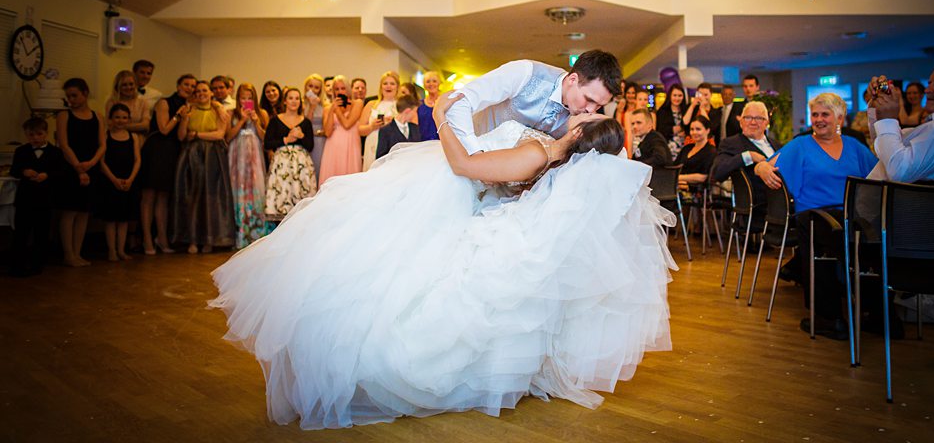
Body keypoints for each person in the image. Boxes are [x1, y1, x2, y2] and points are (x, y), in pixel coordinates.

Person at [209, 90, 675, 429]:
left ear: (577, 134)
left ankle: (393, 369)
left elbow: (465, 167)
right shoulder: (569, 168)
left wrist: (442, 121)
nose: (585, 111)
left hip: (492, 218)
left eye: (590, 113)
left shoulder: (539, 154)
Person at [754, 93, 878, 339]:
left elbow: (879, 173)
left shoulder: (854, 146)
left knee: (875, 239)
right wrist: (763, 168)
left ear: (840, 118)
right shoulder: (801, 145)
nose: (819, 119)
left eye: (825, 114)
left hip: (851, 215)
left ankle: (878, 314)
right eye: (815, 115)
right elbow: (763, 165)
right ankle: (829, 318)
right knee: (832, 238)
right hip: (814, 215)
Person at [442, 50, 622, 159]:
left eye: (598, 105)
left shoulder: (582, 120)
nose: (591, 109)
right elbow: (459, 102)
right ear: (573, 79)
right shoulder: (525, 73)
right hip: (471, 161)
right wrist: (476, 155)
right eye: (589, 99)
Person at [173, 81, 234, 254]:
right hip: (191, 157)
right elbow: (181, 136)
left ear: (210, 93)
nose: (201, 93)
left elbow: (220, 134)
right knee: (191, 198)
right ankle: (192, 239)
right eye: (198, 91)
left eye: (204, 90)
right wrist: (185, 119)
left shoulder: (218, 110)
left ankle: (210, 239)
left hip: (213, 157)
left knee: (211, 198)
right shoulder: (189, 110)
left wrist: (197, 134)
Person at [139, 74, 195, 255]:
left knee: (164, 197)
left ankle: (162, 238)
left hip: (172, 152)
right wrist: (179, 115)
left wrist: (186, 118)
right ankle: (147, 239)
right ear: (178, 85)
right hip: (156, 149)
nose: (189, 88)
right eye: (186, 84)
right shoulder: (164, 102)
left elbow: (181, 135)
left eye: (192, 86)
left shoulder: (189, 107)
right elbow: (163, 129)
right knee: (149, 196)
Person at [56, 78, 106, 267]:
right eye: (68, 96)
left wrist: (91, 163)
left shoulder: (97, 116)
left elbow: (102, 145)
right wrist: (78, 167)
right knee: (70, 211)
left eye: (74, 95)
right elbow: (64, 144)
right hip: (71, 167)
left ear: (85, 93)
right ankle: (68, 254)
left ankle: (77, 253)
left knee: (84, 212)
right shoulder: (64, 115)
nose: (71, 100)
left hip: (90, 167)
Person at [9, 117, 64, 276]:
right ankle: (17, 265)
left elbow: (61, 173)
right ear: (26, 135)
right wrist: (23, 172)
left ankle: (37, 264)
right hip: (25, 199)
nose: (35, 138)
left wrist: (47, 175)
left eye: (39, 134)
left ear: (46, 133)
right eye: (31, 135)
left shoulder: (55, 152)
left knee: (41, 233)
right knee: (21, 232)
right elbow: (14, 170)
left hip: (45, 199)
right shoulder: (21, 151)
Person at [712, 101, 782, 204]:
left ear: (766, 123)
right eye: (748, 118)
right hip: (757, 205)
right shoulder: (731, 144)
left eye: (759, 118)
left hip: (787, 201)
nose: (753, 122)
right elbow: (717, 172)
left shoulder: (778, 146)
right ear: (741, 122)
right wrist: (748, 156)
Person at [264, 87, 317, 221]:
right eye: (291, 98)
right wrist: (286, 140)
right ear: (285, 101)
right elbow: (267, 143)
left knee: (301, 199)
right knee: (282, 196)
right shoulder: (275, 120)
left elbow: (310, 146)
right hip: (282, 164)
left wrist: (301, 136)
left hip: (301, 165)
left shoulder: (306, 122)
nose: (294, 101)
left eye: (297, 98)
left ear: (300, 101)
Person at [226, 83, 268, 249]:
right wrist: (242, 120)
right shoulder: (231, 113)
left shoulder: (261, 113)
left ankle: (257, 232)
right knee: (237, 189)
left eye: (249, 98)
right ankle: (239, 233)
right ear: (238, 98)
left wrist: (256, 122)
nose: (246, 101)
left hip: (255, 156)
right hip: (237, 156)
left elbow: (265, 138)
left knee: (257, 189)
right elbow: (228, 137)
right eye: (243, 98)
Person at [98, 103, 142, 261]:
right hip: (111, 181)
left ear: (129, 119)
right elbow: (102, 161)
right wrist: (113, 180)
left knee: (124, 219)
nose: (120, 120)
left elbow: (137, 160)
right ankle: (112, 250)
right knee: (111, 219)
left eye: (124, 117)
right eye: (117, 117)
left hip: (128, 181)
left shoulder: (133, 137)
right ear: (110, 119)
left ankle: (121, 250)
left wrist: (130, 179)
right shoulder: (105, 136)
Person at [319, 75, 364, 184]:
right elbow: (328, 132)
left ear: (348, 89)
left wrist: (337, 111)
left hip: (351, 145)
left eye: (343, 88)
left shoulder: (357, 103)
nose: (340, 91)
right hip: (333, 146)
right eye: (337, 89)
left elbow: (347, 124)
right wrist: (331, 110)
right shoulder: (328, 108)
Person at [358, 71, 400, 173]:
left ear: (397, 87)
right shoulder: (371, 104)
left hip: (392, 144)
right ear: (381, 87)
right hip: (373, 142)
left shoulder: (400, 105)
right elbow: (360, 130)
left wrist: (393, 124)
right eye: (385, 83)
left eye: (392, 83)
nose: (388, 86)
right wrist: (372, 127)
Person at [675, 116, 716, 203]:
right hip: (677, 186)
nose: (694, 132)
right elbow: (674, 167)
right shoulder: (687, 148)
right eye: (692, 129)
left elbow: (703, 177)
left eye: (698, 129)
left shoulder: (711, 151)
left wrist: (678, 178)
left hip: (696, 192)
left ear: (707, 130)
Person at [375, 92, 422, 160]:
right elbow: (380, 157)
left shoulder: (415, 128)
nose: (415, 114)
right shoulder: (385, 131)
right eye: (415, 111)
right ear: (407, 111)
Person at [105, 69, 150, 135]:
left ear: (135, 85)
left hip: (139, 138)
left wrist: (120, 126)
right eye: (124, 85)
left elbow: (145, 125)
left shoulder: (143, 102)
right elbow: (110, 125)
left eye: (131, 84)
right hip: (117, 137)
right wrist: (137, 127)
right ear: (117, 86)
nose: (128, 87)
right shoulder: (112, 102)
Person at [301, 74, 328, 174]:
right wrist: (312, 107)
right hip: (305, 140)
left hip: (320, 141)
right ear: (306, 87)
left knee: (319, 167)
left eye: (316, 87)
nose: (312, 90)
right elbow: (305, 124)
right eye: (310, 86)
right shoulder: (300, 104)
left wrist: (319, 132)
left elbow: (328, 127)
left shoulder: (325, 105)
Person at [417, 70, 442, 141]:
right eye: (428, 81)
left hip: (441, 142)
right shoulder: (419, 104)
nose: (431, 84)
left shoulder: (445, 102)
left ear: (439, 83)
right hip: (423, 142)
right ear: (424, 85)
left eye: (434, 81)